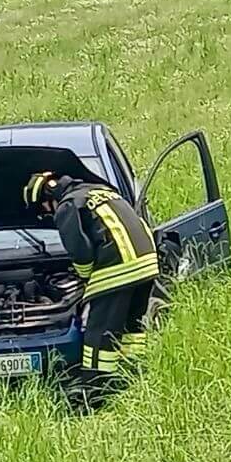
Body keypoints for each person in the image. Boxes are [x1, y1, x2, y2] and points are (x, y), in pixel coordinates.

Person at [23, 171, 161, 410]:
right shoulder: (100, 191)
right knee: (132, 328)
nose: (48, 214)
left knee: (99, 334)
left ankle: (94, 395)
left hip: (119, 269)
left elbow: (81, 251)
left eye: (45, 210)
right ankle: (132, 380)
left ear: (47, 199)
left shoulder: (67, 206)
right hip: (147, 264)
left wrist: (84, 277)